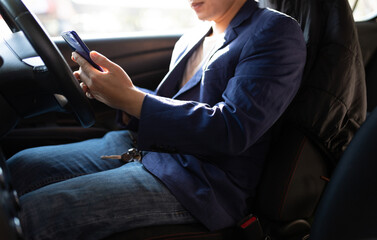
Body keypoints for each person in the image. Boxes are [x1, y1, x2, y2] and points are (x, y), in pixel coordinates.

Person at [7, 0, 306, 239]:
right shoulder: (193, 36)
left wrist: (132, 98)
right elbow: (177, 105)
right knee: (18, 168)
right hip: (147, 148)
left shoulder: (274, 30)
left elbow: (233, 128)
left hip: (199, 182)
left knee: (33, 213)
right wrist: (125, 93)